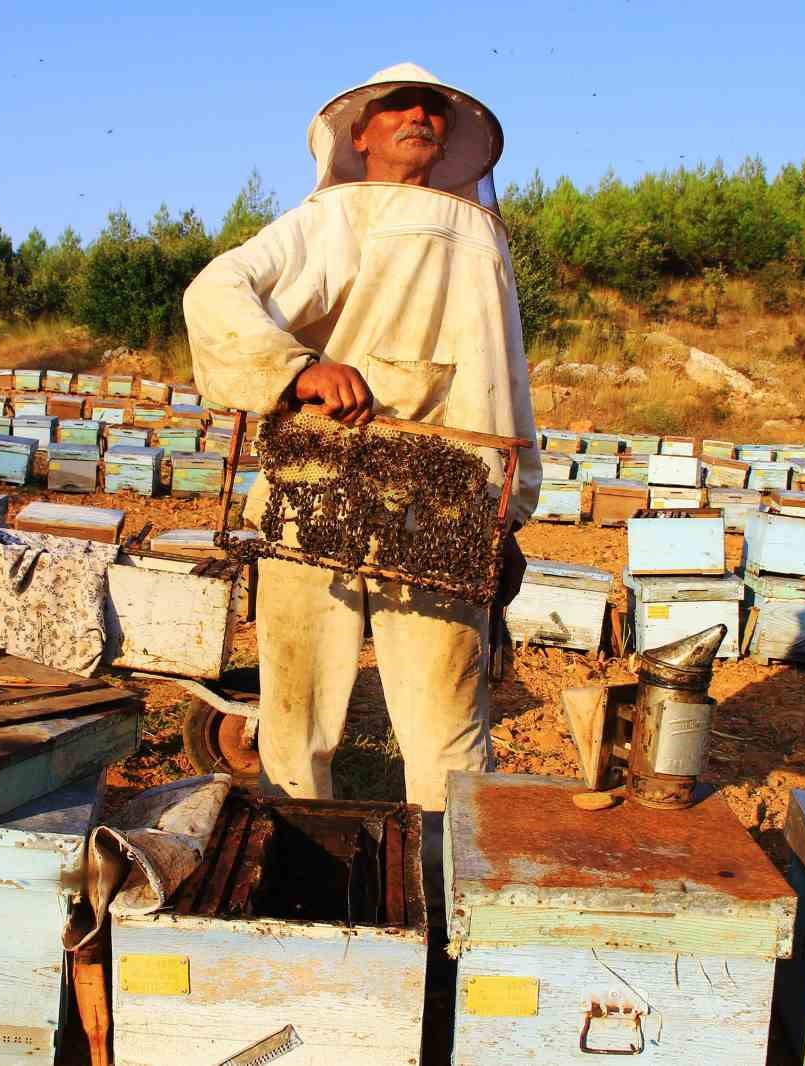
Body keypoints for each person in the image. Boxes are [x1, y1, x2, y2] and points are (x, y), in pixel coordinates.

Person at [184, 62, 542, 818]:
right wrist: (297, 369)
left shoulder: (480, 235)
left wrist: (506, 516)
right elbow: (216, 290)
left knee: (448, 721)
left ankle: (444, 875)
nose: (419, 117)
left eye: (433, 109)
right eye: (399, 106)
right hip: (319, 489)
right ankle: (295, 853)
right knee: (297, 713)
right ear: (358, 135)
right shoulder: (331, 219)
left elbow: (503, 377)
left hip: (445, 505)